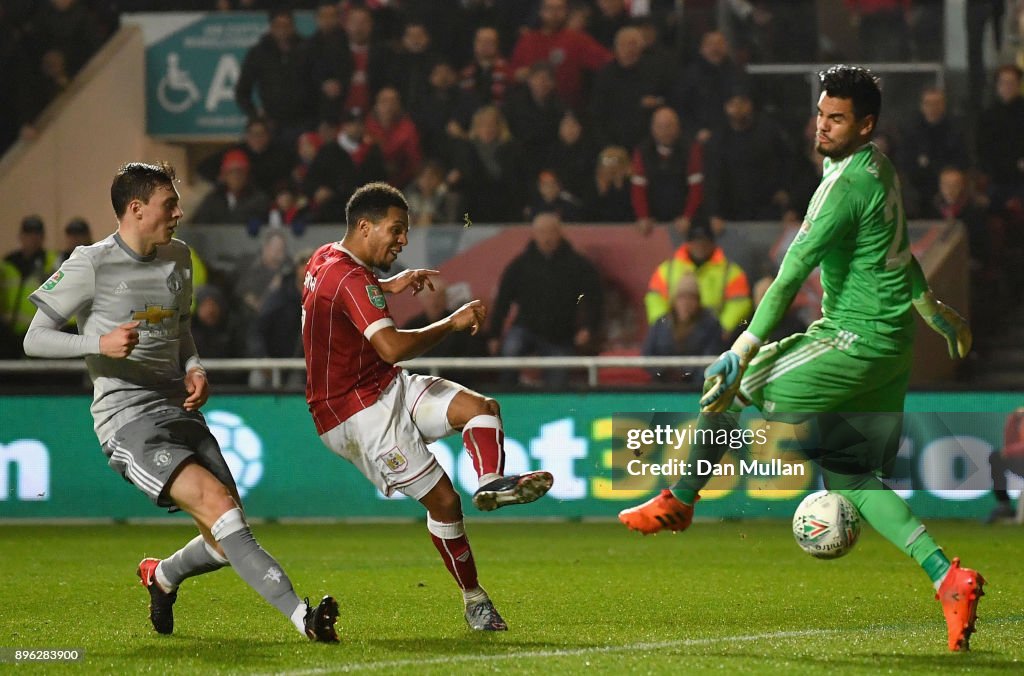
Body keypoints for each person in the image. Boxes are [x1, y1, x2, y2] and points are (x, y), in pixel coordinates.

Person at [618, 66, 986, 653]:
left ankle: (680, 500)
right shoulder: (878, 171)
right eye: (821, 113)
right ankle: (948, 577)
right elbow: (899, 254)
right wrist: (934, 311)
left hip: (850, 340)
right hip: (889, 348)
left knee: (725, 390)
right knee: (850, 473)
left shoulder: (842, 187)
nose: (824, 126)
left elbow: (792, 271)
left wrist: (742, 348)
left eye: (837, 118)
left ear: (866, 124)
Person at [21, 161, 338, 642]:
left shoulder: (180, 258)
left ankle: (163, 575)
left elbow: (180, 328)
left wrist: (195, 367)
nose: (179, 212)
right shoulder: (91, 262)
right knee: (220, 508)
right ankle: (305, 618)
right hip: (127, 418)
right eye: (169, 204)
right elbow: (34, 339)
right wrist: (97, 344)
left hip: (180, 409)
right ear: (136, 208)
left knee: (223, 532)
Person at [302, 182, 554, 631]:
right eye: (396, 230)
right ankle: (475, 600)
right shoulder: (350, 278)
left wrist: (388, 284)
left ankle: (492, 483)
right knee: (444, 502)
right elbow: (391, 346)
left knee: (481, 408)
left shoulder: (327, 257)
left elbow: (346, 295)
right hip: (353, 413)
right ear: (364, 227)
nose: (402, 240)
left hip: (383, 385)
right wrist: (451, 322)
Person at [487, 212, 603, 388]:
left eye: (551, 232)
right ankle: (507, 397)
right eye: (542, 232)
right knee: (510, 350)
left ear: (560, 233)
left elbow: (595, 298)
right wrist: (494, 334)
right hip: (525, 328)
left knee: (558, 380)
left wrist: (588, 327)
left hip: (561, 334)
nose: (547, 237)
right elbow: (503, 300)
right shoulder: (520, 265)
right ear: (534, 234)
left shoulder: (578, 265)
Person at [644, 217, 751, 339]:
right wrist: (663, 326)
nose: (700, 246)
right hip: (674, 331)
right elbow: (655, 299)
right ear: (687, 243)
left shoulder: (731, 271)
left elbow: (740, 303)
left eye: (704, 241)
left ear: (712, 243)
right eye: (695, 241)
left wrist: (723, 327)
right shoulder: (666, 269)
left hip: (713, 334)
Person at [642, 272, 725, 383]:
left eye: (691, 298)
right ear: (674, 301)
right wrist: (663, 372)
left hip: (695, 388)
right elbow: (647, 356)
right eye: (681, 298)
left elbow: (711, 359)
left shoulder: (711, 326)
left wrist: (686, 375)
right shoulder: (661, 324)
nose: (686, 303)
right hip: (662, 386)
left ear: (698, 302)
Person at [986, 407, 1024, 524]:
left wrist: (1008, 451)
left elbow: (1008, 450)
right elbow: (1008, 443)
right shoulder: (1019, 418)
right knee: (996, 458)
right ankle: (1004, 504)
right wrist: (1013, 419)